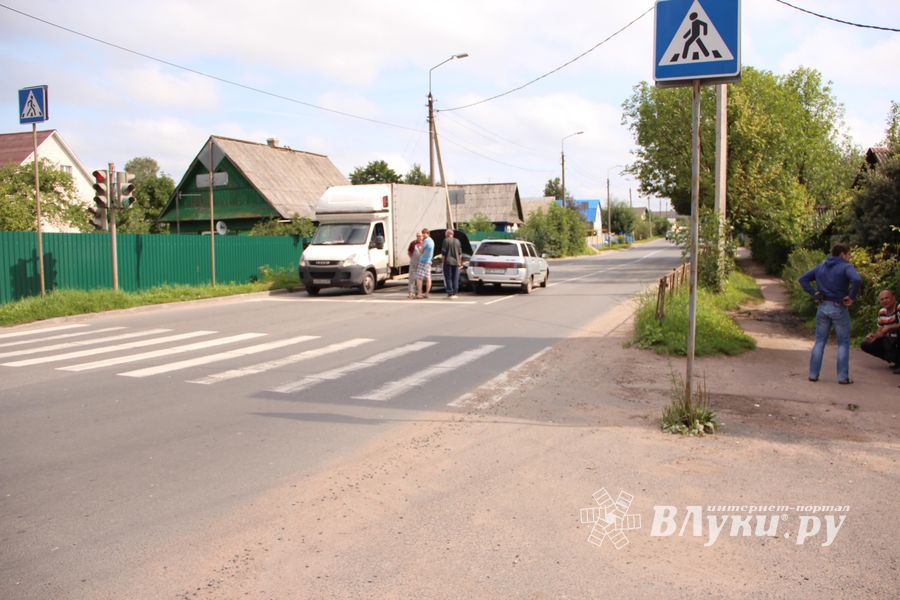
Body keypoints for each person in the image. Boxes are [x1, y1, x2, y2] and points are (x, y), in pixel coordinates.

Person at [798, 243, 862, 384]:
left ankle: (813, 374)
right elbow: (857, 279)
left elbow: (803, 279)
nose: (849, 258)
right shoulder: (846, 267)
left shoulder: (821, 267)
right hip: (839, 306)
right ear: (842, 254)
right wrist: (851, 297)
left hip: (822, 306)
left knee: (819, 341)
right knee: (843, 343)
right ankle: (842, 377)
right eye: (849, 254)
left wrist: (814, 293)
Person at [860, 289, 900, 374]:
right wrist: (874, 336)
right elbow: (880, 330)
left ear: (894, 297)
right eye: (882, 299)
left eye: (887, 298)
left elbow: (887, 328)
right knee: (866, 344)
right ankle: (896, 360)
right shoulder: (882, 312)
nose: (884, 301)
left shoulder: (899, 308)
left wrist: (889, 327)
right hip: (890, 339)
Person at [441, 229, 463, 299]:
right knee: (455, 278)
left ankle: (450, 293)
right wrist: (460, 262)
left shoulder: (445, 240)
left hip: (448, 262)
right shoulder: (457, 241)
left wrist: (443, 262)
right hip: (456, 262)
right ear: (452, 234)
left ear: (447, 234)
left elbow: (443, 253)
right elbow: (460, 253)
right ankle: (455, 293)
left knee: (448, 278)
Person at [415, 228, 433, 299]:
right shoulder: (432, 241)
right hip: (429, 261)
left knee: (419, 278)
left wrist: (418, 247)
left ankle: (419, 294)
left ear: (427, 233)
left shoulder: (426, 241)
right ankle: (427, 293)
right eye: (422, 233)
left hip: (423, 261)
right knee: (428, 277)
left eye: (424, 233)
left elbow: (421, 251)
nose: (423, 234)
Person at [407, 231, 423, 299]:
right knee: (412, 278)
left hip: (421, 264)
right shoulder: (413, 243)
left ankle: (418, 292)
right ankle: (411, 292)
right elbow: (409, 252)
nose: (418, 237)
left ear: (422, 237)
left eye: (420, 236)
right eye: (417, 236)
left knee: (419, 279)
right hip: (413, 263)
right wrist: (412, 259)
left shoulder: (424, 243)